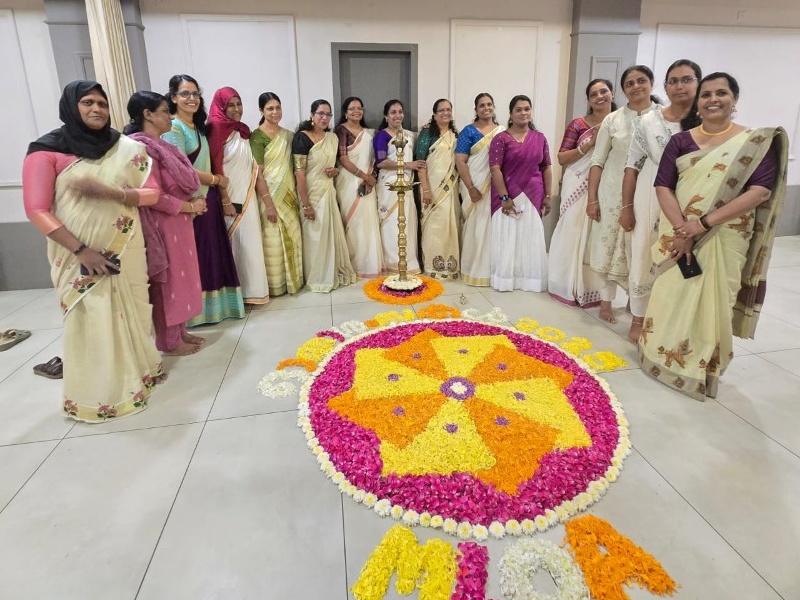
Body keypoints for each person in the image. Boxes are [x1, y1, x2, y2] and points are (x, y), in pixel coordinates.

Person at [640, 72, 787, 401]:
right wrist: (683, 228)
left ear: (735, 100)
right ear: (698, 103)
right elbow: (663, 185)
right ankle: (657, 356)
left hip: (725, 234)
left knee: (714, 299)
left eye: (721, 93)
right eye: (706, 95)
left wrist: (702, 225)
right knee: (671, 292)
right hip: (678, 232)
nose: (713, 100)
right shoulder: (681, 141)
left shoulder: (754, 143)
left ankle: (701, 369)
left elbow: (760, 192)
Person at [23, 80, 163, 422]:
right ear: (72, 107)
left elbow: (153, 193)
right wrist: (82, 251)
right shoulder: (46, 151)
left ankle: (139, 375)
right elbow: (36, 210)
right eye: (88, 102)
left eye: (102, 103)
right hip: (77, 254)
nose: (97, 109)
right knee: (92, 318)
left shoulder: (126, 147)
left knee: (135, 306)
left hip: (126, 244)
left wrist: (114, 194)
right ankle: (102, 395)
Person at [620, 60, 702, 342]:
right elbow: (631, 166)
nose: (680, 86)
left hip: (693, 196)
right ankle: (639, 317)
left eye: (687, 79)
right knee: (645, 253)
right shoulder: (648, 122)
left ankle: (671, 319)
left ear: (698, 83)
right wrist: (626, 207)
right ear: (665, 87)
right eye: (674, 81)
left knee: (684, 256)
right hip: (650, 195)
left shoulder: (707, 121)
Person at [124, 91, 205, 356]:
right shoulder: (140, 148)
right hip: (162, 223)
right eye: (164, 111)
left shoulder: (163, 146)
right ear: (147, 115)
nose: (170, 116)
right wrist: (190, 206)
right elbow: (153, 195)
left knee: (183, 278)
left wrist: (192, 204)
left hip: (179, 222)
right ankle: (168, 340)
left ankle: (180, 330)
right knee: (168, 281)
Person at [163, 74, 245, 326]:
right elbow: (180, 167)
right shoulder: (174, 128)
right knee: (197, 256)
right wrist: (216, 179)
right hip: (190, 202)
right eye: (185, 94)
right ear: (173, 98)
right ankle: (195, 313)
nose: (192, 98)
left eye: (195, 93)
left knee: (212, 253)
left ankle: (217, 309)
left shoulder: (197, 128)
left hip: (207, 198)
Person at [587, 65, 659, 324]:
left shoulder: (662, 118)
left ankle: (635, 301)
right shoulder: (613, 120)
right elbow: (597, 160)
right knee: (607, 248)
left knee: (640, 248)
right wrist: (592, 199)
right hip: (611, 193)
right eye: (630, 83)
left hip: (647, 194)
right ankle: (606, 302)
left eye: (641, 80)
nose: (636, 86)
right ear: (623, 90)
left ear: (651, 83)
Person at [548, 79, 616, 308]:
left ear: (613, 94)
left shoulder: (620, 122)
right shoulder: (578, 124)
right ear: (588, 100)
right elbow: (561, 158)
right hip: (577, 184)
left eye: (604, 91)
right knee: (571, 230)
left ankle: (595, 291)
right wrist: (588, 144)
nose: (599, 96)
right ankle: (563, 284)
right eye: (594, 94)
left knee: (598, 236)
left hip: (608, 186)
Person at [207, 87, 272, 305]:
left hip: (248, 196)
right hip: (230, 198)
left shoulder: (242, 130)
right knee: (236, 244)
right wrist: (225, 200)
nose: (237, 109)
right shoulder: (216, 129)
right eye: (231, 105)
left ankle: (254, 292)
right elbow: (216, 166)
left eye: (239, 104)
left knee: (251, 244)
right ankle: (238, 295)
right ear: (221, 107)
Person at [488, 94, 552, 292]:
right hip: (508, 194)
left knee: (530, 237)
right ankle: (506, 280)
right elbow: (495, 169)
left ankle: (530, 281)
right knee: (507, 237)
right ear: (510, 114)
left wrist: (548, 196)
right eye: (518, 109)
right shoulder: (500, 139)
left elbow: (546, 167)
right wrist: (504, 197)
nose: (523, 113)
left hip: (534, 194)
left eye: (527, 109)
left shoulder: (539, 138)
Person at [292, 99, 357, 292]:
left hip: (328, 191)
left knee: (330, 233)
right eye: (321, 113)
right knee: (314, 236)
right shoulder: (302, 138)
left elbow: (335, 166)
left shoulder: (332, 138)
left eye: (328, 114)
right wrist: (306, 205)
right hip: (310, 193)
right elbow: (299, 173)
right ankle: (317, 276)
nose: (324, 118)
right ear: (312, 115)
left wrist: (335, 171)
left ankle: (331, 272)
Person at [250, 92, 304, 296]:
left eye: (278, 107)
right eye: (270, 108)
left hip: (289, 194)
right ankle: (277, 284)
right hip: (269, 196)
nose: (275, 112)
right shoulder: (257, 136)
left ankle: (294, 282)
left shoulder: (289, 136)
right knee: (272, 239)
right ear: (261, 111)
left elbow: (296, 166)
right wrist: (269, 204)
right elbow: (258, 173)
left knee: (292, 234)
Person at [373, 99, 426, 274]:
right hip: (390, 187)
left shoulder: (408, 135)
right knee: (391, 224)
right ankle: (392, 265)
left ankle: (408, 264)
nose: (398, 115)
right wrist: (407, 165)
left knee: (407, 222)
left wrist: (427, 128)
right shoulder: (382, 136)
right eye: (393, 112)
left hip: (407, 186)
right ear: (386, 116)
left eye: (400, 111)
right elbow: (381, 162)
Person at [333, 96, 383, 277]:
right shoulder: (341, 130)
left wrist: (371, 178)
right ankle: (354, 265)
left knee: (368, 222)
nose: (356, 111)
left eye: (359, 108)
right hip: (349, 181)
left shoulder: (370, 133)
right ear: (345, 112)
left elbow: (375, 158)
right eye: (352, 108)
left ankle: (369, 265)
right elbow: (343, 159)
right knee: (353, 223)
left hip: (367, 181)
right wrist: (365, 177)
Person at [456, 93, 502, 287]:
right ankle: (473, 269)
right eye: (481, 105)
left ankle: (494, 270)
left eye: (489, 104)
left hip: (497, 186)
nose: (486, 108)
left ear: (494, 107)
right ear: (476, 109)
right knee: (476, 226)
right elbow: (460, 161)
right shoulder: (468, 131)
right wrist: (471, 188)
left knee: (494, 227)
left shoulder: (502, 131)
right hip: (475, 184)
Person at [415, 98, 461, 279]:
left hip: (451, 188)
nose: (445, 113)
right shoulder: (427, 134)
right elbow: (420, 164)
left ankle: (450, 267)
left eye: (448, 109)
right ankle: (432, 266)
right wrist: (426, 190)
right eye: (441, 110)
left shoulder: (455, 135)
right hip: (431, 188)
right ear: (434, 114)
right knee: (433, 227)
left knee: (450, 225)